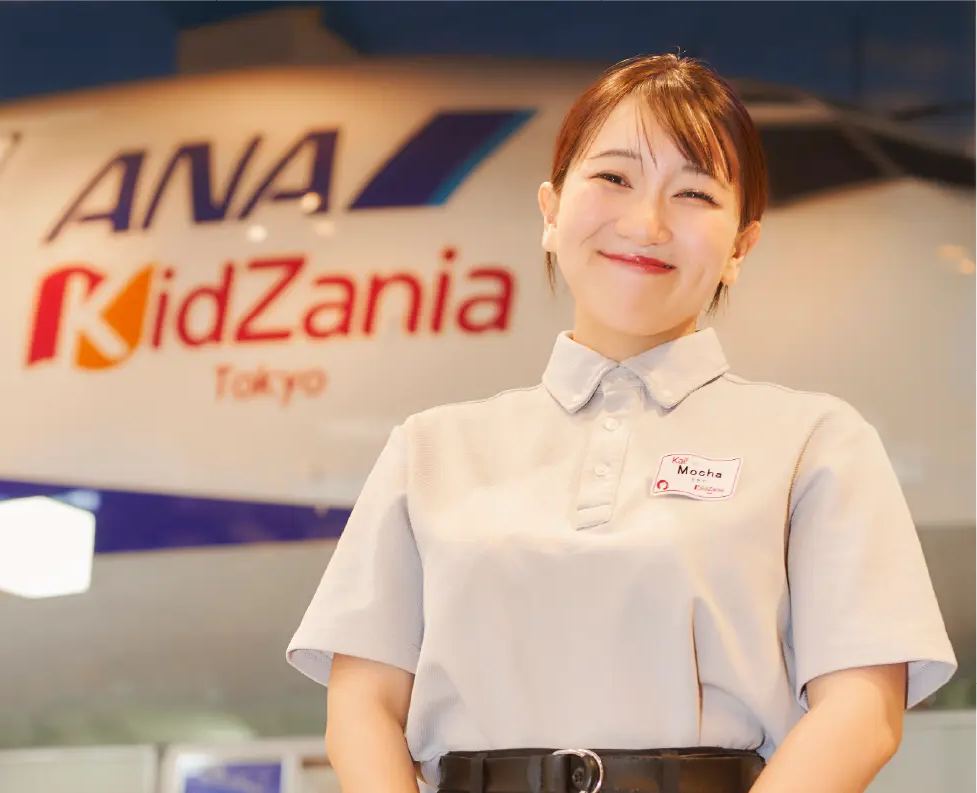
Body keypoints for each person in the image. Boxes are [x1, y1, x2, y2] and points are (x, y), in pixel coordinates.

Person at [285, 53, 957, 793]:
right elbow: (362, 707)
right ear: (550, 212)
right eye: (613, 177)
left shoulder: (815, 442)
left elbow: (862, 712)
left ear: (740, 246)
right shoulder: (427, 449)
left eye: (694, 193)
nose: (646, 223)